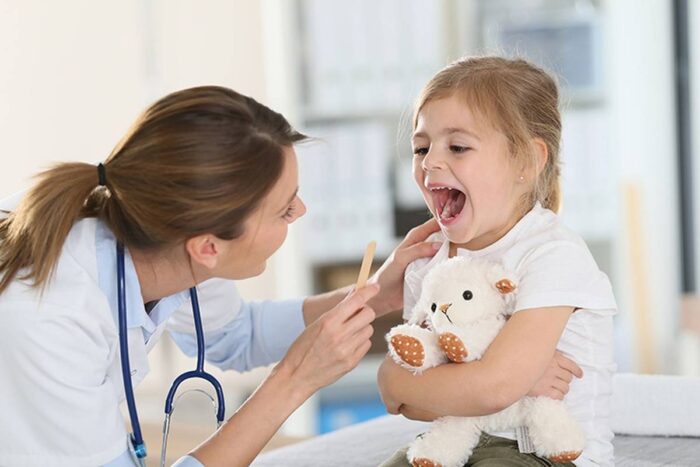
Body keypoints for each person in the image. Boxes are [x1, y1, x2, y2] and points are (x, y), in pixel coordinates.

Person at [0, 86, 445, 466]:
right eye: (284, 207)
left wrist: (376, 295)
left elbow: (235, 335)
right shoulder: (49, 320)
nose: (302, 211)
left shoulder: (167, 229)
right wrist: (296, 379)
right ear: (208, 248)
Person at [377, 57, 617, 466]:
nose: (430, 161)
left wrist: (418, 382)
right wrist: (396, 381)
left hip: (547, 454)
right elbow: (404, 400)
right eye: (421, 148)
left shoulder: (553, 253)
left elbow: (492, 386)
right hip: (457, 444)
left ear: (525, 161)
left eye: (457, 146)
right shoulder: (429, 262)